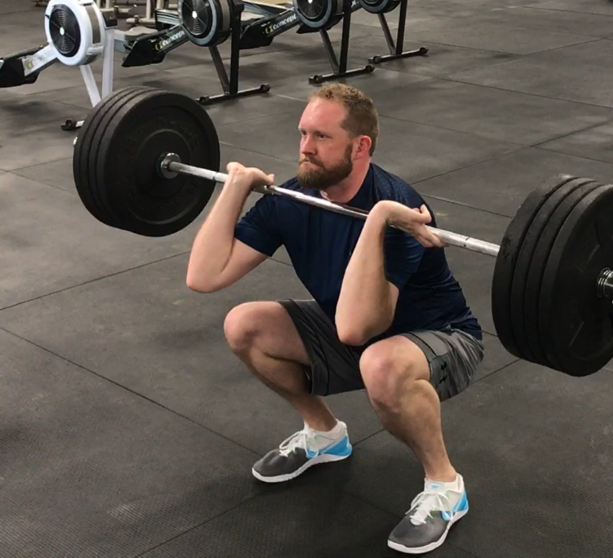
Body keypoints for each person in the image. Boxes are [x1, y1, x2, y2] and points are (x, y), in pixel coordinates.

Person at [185, 83, 485, 554]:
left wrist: (379, 217)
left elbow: (355, 330)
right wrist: (237, 189)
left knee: (381, 365)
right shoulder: (295, 197)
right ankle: (324, 436)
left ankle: (445, 486)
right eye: (303, 133)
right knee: (244, 325)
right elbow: (204, 276)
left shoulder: (400, 206)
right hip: (363, 332)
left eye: (321, 137)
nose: (305, 147)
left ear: (359, 146)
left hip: (440, 337)